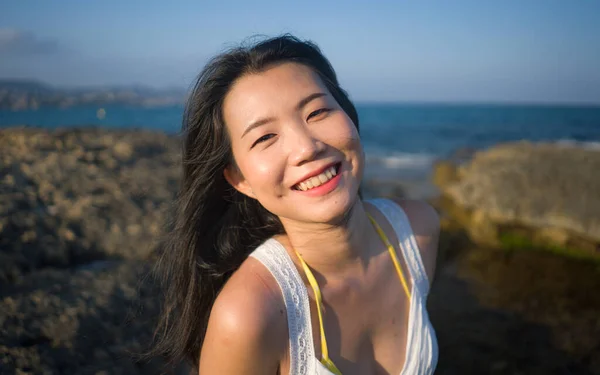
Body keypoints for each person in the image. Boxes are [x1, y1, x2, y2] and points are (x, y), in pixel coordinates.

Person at [151, 34, 440, 375]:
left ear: (349, 116)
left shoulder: (418, 231)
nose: (306, 148)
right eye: (265, 137)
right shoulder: (249, 314)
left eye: (317, 112)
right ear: (240, 179)